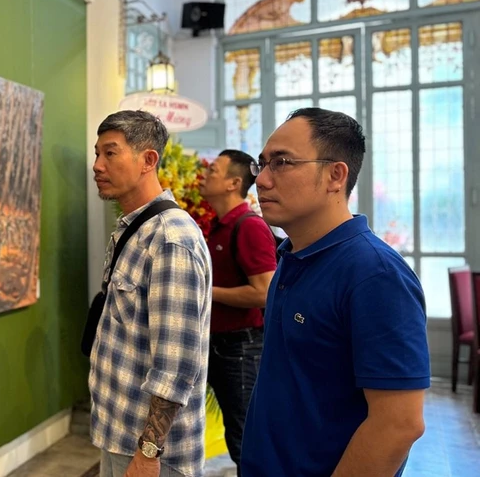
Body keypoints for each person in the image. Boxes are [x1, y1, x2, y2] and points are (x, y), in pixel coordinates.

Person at [240, 108, 428, 476]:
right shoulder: (291, 257)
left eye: (281, 163)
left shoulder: (374, 274)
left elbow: (399, 424)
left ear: (334, 175)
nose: (261, 180)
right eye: (261, 165)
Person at [89, 110, 212, 477]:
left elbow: (175, 365)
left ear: (148, 160)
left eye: (110, 153)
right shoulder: (134, 229)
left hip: (154, 456)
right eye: (97, 153)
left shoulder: (171, 239)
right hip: (119, 435)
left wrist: (148, 452)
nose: (97, 165)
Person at [198, 149, 278, 475]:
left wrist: (204, 291)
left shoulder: (249, 226)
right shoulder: (219, 226)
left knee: (246, 437)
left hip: (240, 348)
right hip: (218, 345)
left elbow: (264, 291)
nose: (204, 175)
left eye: (213, 171)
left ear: (233, 182)